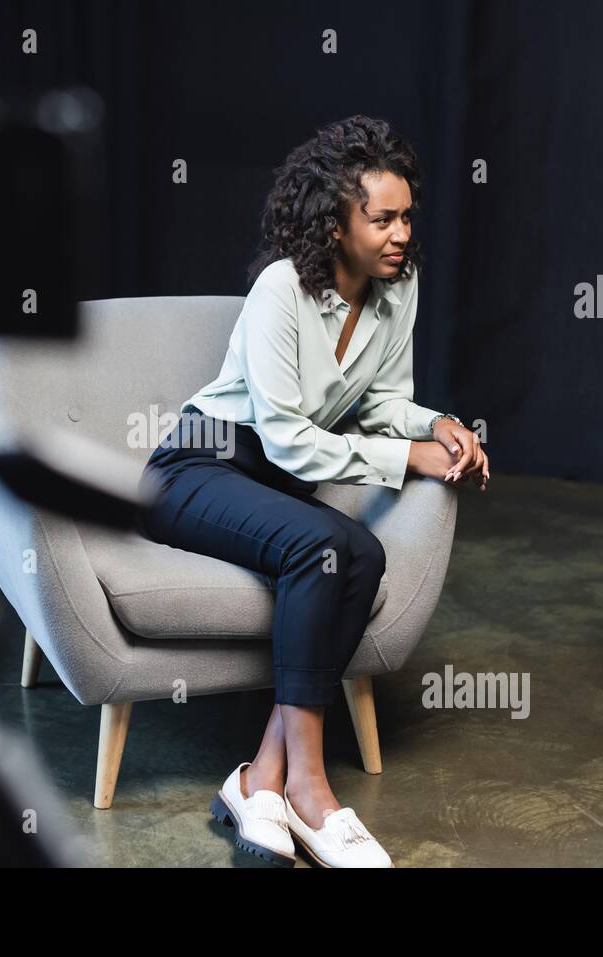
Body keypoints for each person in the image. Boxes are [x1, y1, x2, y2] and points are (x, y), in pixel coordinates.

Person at [138, 115, 489, 868]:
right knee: (327, 544)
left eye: (406, 216)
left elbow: (386, 400)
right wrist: (410, 459)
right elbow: (290, 438)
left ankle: (260, 776)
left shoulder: (401, 286)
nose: (401, 233)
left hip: (270, 477)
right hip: (197, 468)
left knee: (358, 553)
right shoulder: (280, 290)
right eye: (382, 217)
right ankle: (311, 786)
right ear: (334, 221)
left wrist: (440, 423)